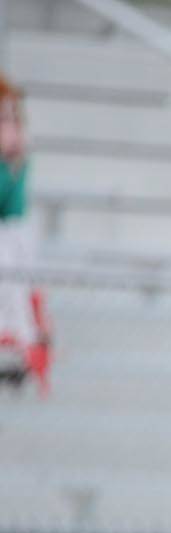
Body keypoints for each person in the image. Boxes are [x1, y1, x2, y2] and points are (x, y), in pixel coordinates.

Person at [0, 76, 50, 395]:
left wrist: (13, 163)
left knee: (14, 241)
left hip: (11, 245)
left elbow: (14, 215)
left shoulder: (16, 161)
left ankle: (21, 337)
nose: (10, 127)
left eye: (12, 118)